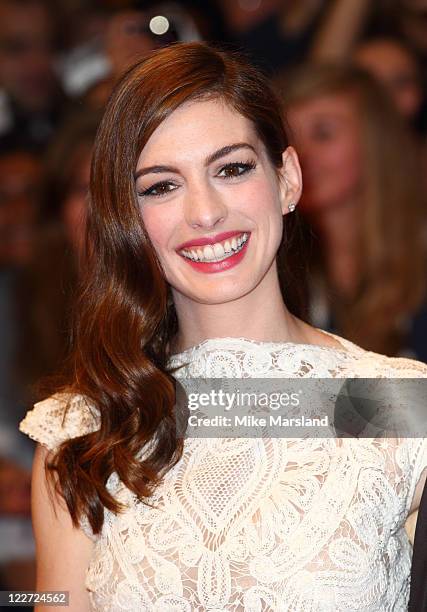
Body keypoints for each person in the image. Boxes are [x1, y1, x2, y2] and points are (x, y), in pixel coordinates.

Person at [19, 42, 427, 611]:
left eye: (231, 169)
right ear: (127, 217)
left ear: (286, 179)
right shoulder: (84, 431)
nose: (205, 212)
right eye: (161, 185)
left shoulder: (395, 404)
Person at [277, 63, 427, 360]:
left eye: (323, 133)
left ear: (376, 143)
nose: (300, 155)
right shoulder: (280, 272)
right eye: (288, 139)